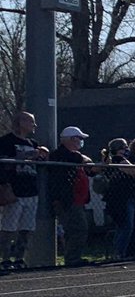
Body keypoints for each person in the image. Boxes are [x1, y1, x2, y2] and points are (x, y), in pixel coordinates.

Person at [0, 112, 49, 269]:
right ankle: (6, 259)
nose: (34, 126)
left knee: (26, 228)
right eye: (31, 122)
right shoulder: (6, 141)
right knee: (9, 227)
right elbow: (5, 162)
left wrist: (42, 156)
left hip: (31, 189)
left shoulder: (33, 142)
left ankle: (20, 258)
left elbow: (39, 163)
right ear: (21, 122)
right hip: (15, 189)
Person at [48, 126, 96, 267]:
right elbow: (82, 160)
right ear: (71, 139)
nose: (80, 142)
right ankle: (72, 258)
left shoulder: (74, 156)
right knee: (78, 228)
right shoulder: (62, 154)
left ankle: (73, 257)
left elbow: (91, 169)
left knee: (77, 228)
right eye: (78, 138)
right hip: (67, 199)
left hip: (78, 200)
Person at [100, 138, 135, 261]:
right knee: (126, 226)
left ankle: (119, 252)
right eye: (124, 147)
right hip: (121, 198)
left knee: (124, 226)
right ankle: (118, 253)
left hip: (126, 196)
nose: (127, 149)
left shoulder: (124, 160)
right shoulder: (118, 160)